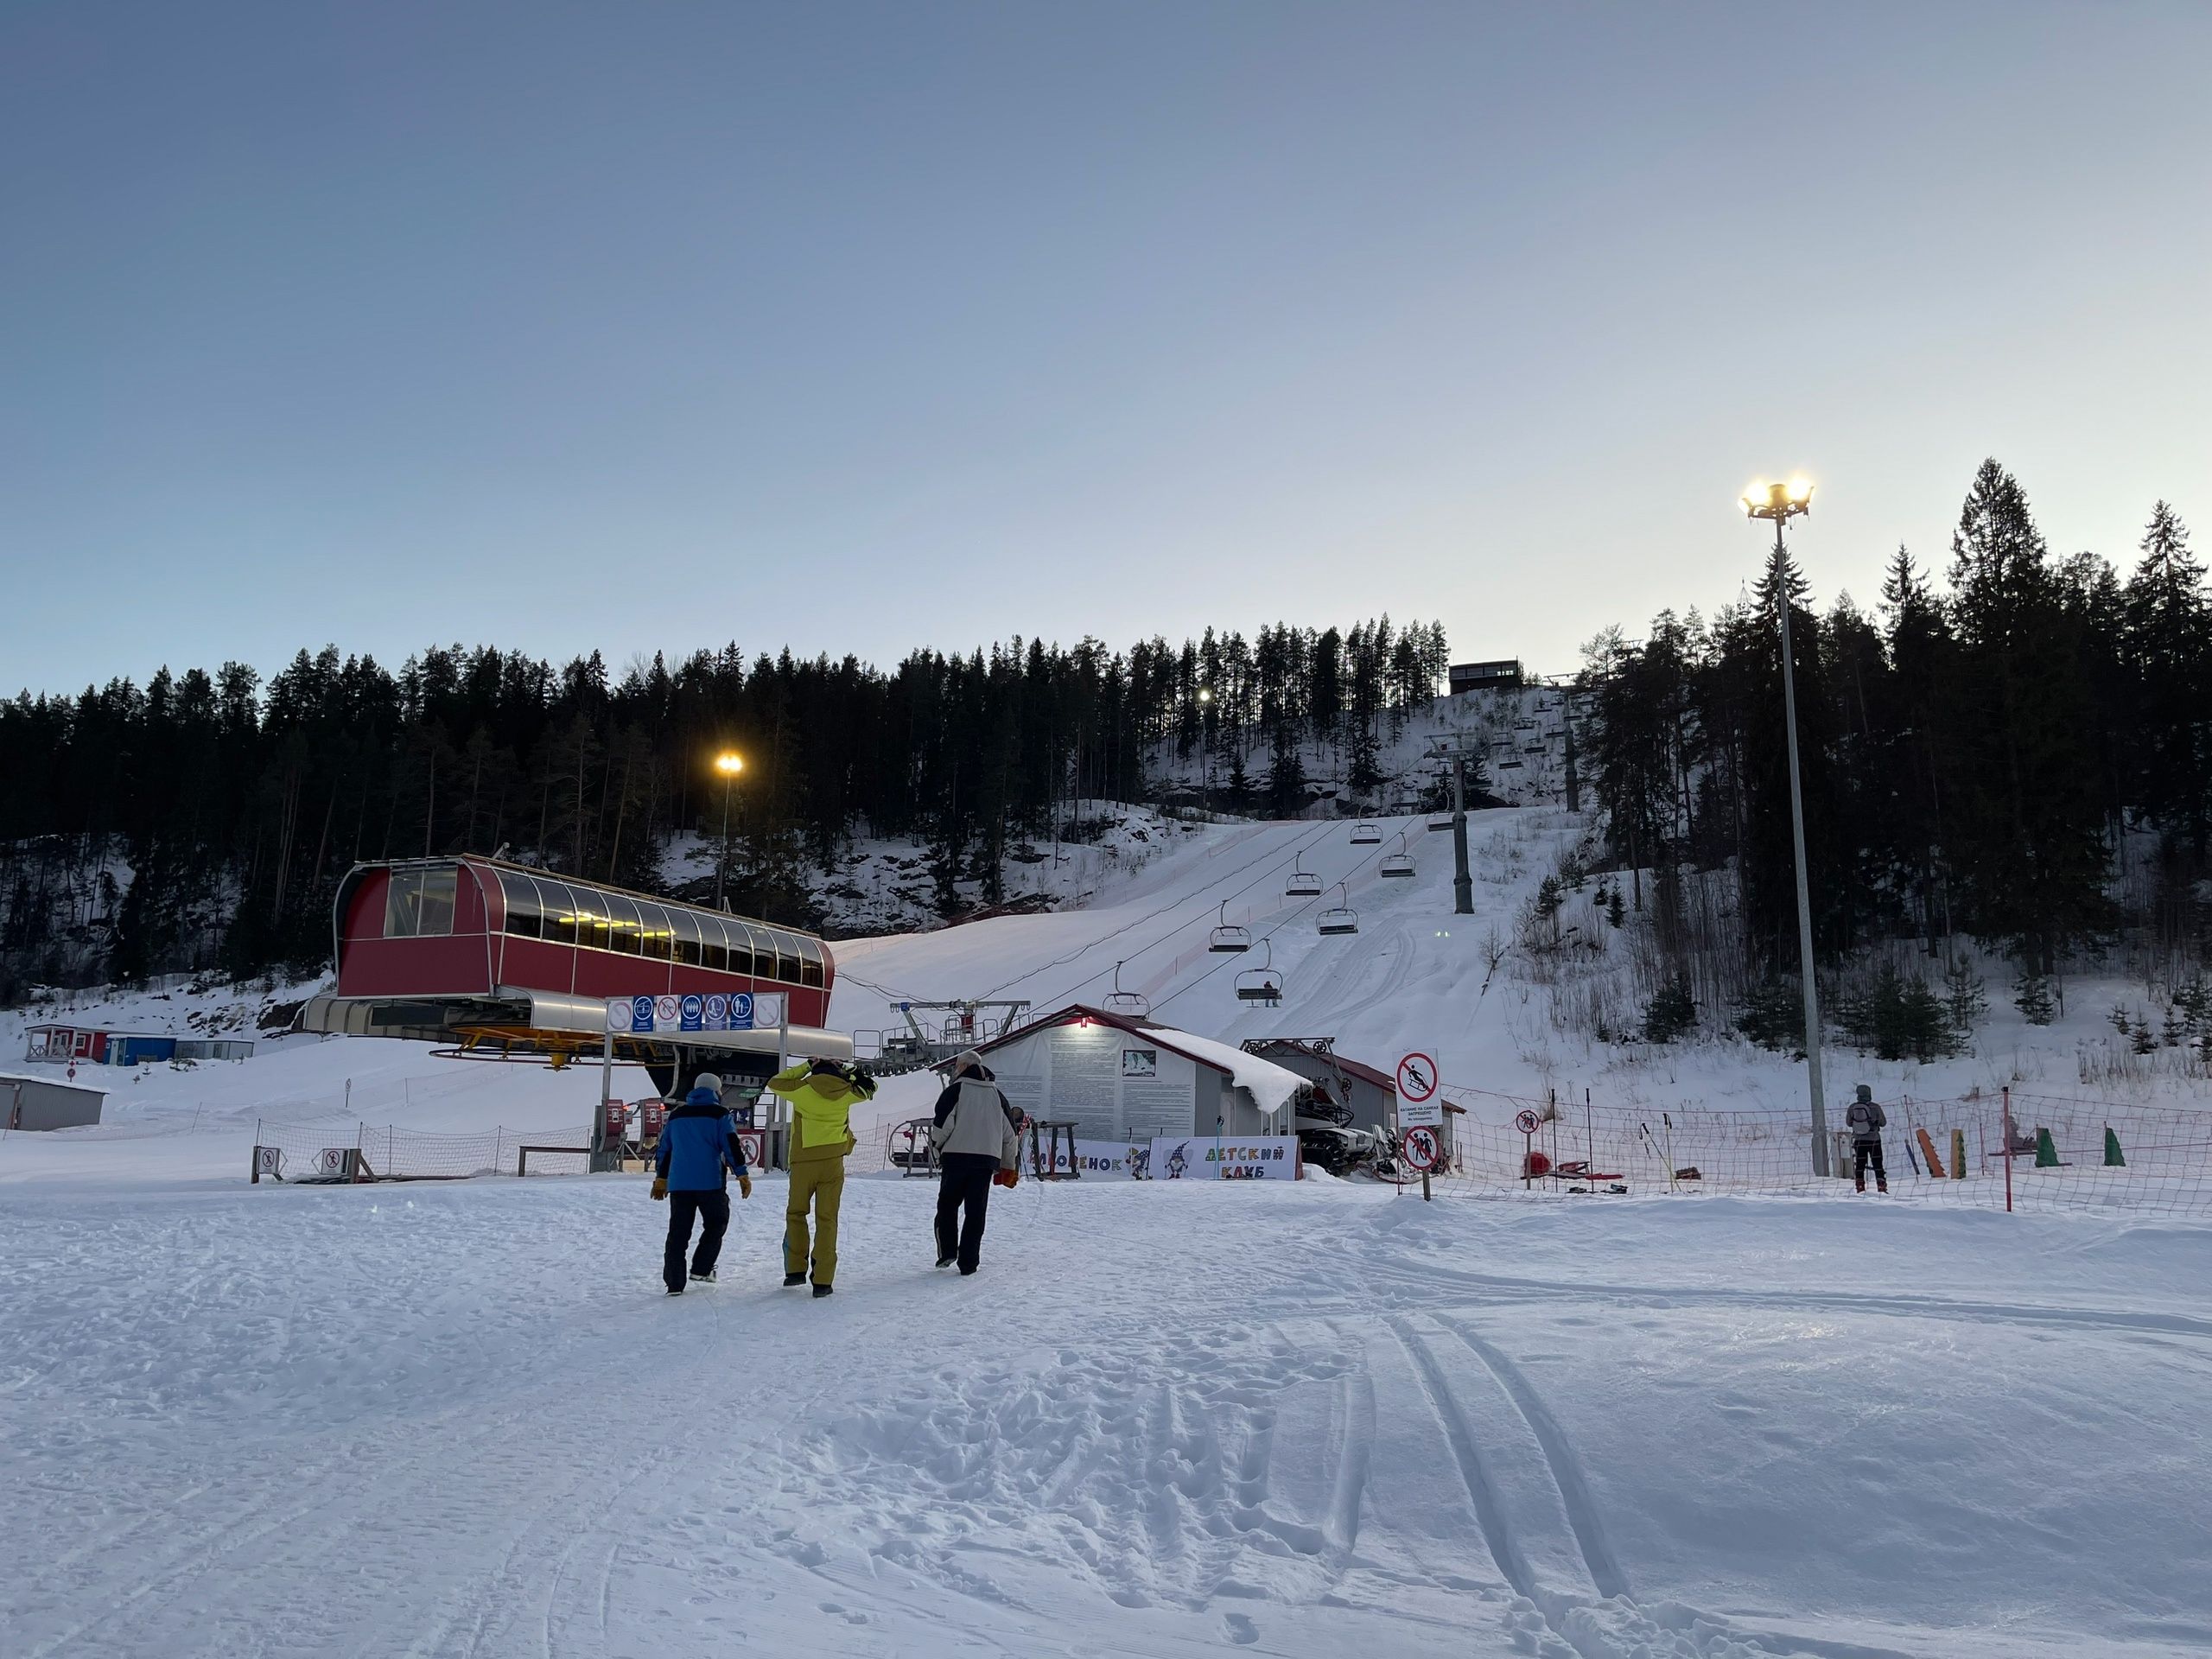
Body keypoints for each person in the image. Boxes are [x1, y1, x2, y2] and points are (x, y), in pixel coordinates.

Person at [766, 1058, 874, 1297]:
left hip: (803, 1161)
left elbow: (775, 1083)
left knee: (796, 1214)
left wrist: (805, 1066)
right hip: (833, 1162)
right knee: (827, 1220)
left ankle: (795, 1271)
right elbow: (870, 1087)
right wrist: (848, 1071)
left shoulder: (802, 1089)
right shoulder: (847, 1091)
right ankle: (823, 1281)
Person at [652, 1072, 753, 1294]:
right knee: (717, 1223)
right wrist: (741, 1174)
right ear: (717, 1091)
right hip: (710, 1183)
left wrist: (661, 1179)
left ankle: (674, 1283)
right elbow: (731, 1145)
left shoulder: (676, 1116)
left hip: (679, 1184)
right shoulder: (720, 1114)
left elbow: (665, 1150)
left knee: (678, 1233)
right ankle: (702, 1268)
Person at [928, 1051, 1021, 1275]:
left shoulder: (955, 1091)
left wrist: (936, 1150)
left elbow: (942, 1127)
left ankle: (948, 1251)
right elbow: (1010, 1135)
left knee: (947, 1206)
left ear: (961, 1067)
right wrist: (1009, 1166)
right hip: (985, 1162)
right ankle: (969, 1263)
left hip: (956, 1159)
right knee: (976, 1212)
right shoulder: (998, 1096)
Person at [1846, 1083, 1888, 1194]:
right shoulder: (1875, 1107)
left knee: (1860, 1163)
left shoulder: (1852, 1107)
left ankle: (1860, 1187)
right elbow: (1883, 1123)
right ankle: (1881, 1186)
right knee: (1877, 1163)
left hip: (1859, 1140)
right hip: (1874, 1139)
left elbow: (1849, 1123)